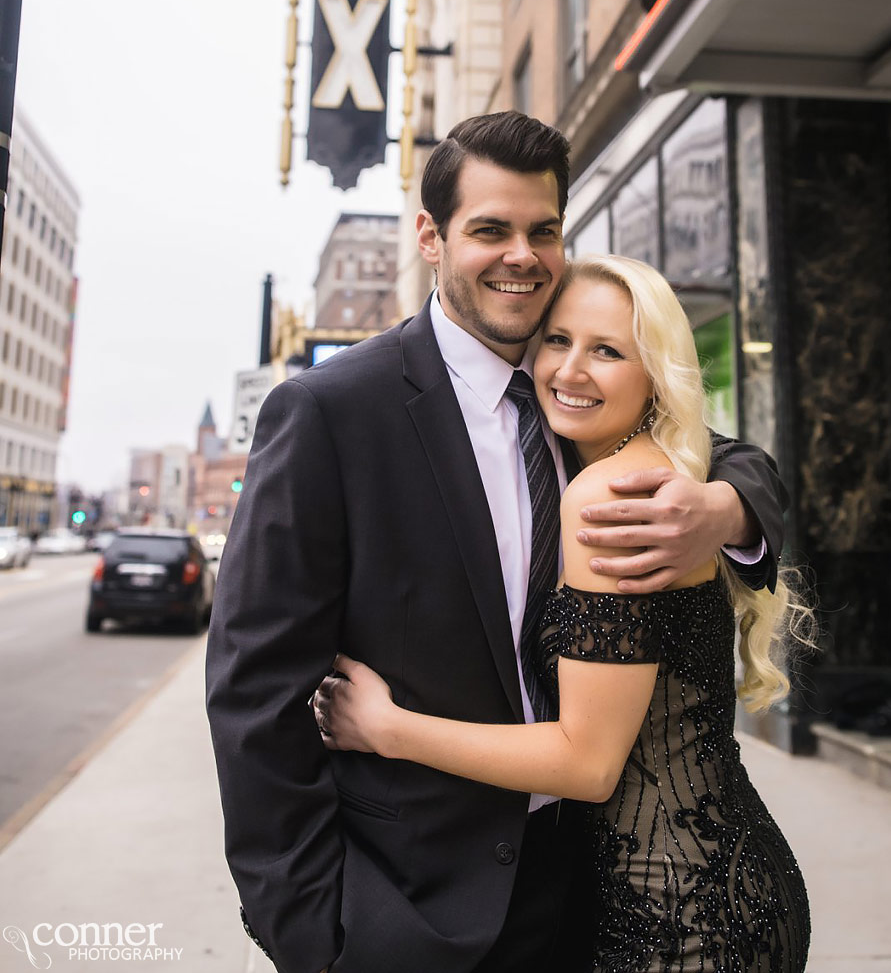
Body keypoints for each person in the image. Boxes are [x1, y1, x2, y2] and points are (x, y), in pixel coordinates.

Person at [206, 112, 787, 973]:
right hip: (409, 909)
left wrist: (728, 512)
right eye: (491, 229)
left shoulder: (574, 393)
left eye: (542, 230)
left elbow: (731, 457)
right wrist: (316, 931)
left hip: (597, 891)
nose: (522, 254)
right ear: (431, 238)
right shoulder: (333, 414)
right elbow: (255, 696)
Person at [314, 254, 811, 973]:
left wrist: (388, 729)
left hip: (677, 920)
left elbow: (587, 764)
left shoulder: (611, 499)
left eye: (607, 350)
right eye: (557, 340)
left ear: (655, 376)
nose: (570, 370)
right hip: (717, 879)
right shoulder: (623, 462)